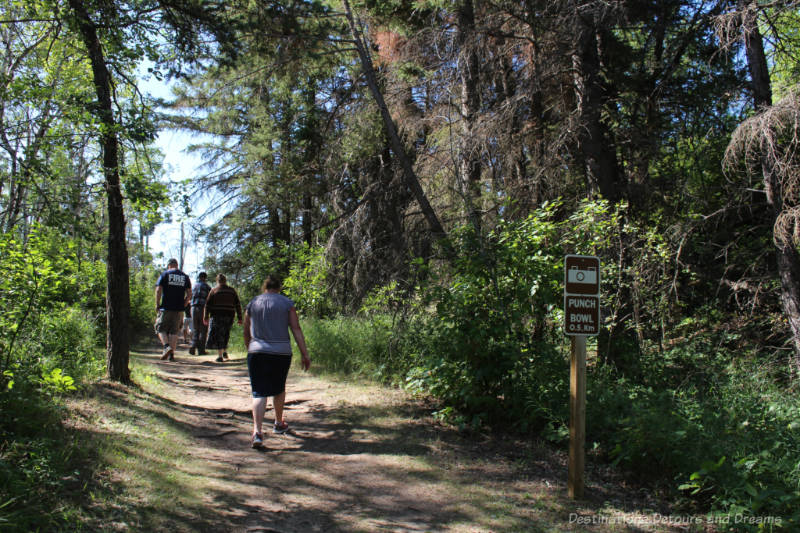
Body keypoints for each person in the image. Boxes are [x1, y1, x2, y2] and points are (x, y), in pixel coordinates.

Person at [243, 274, 311, 449]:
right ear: (278, 288)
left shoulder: (253, 303)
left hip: (257, 351)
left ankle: (257, 432)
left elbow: (246, 330)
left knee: (259, 392)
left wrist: (249, 347)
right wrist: (304, 354)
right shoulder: (287, 304)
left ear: (264, 287)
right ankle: (278, 423)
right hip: (281, 352)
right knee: (278, 388)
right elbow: (296, 328)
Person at [154, 258, 192, 361]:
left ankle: (166, 347)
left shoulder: (165, 274)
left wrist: (157, 304)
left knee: (160, 328)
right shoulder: (185, 276)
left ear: (169, 265)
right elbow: (189, 295)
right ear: (177, 265)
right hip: (179, 309)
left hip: (166, 307)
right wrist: (183, 305)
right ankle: (171, 355)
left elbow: (158, 290)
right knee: (174, 332)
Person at [203, 274, 242, 362]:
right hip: (229, 315)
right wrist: (240, 318)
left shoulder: (214, 290)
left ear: (217, 281)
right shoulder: (232, 291)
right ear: (225, 280)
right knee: (225, 333)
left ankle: (220, 356)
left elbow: (207, 305)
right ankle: (224, 351)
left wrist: (205, 317)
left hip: (216, 315)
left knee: (219, 334)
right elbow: (237, 304)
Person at [189, 272, 211, 355]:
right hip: (202, 308)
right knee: (203, 330)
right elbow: (210, 299)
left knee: (195, 329)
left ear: (199, 277)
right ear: (205, 278)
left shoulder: (194, 286)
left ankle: (193, 346)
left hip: (193, 308)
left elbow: (189, 296)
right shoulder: (207, 287)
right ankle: (201, 350)